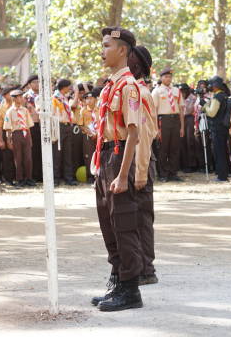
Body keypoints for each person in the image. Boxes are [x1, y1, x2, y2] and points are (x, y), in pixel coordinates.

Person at [90, 26, 143, 312]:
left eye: (108, 45)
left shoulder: (128, 86)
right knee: (108, 224)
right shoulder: (110, 84)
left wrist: (123, 174)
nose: (103, 50)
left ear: (123, 50)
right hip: (107, 155)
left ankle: (131, 289)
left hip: (120, 155)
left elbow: (133, 132)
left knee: (123, 223)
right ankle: (117, 280)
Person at [129, 45, 158, 286]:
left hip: (140, 161)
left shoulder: (141, 93)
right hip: (130, 160)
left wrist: (140, 171)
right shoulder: (130, 90)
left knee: (141, 218)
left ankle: (146, 269)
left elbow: (145, 135)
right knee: (131, 217)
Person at [152, 68, 185, 182]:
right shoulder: (156, 91)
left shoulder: (176, 90)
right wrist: (156, 128)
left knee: (174, 148)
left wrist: (182, 127)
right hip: (163, 120)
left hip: (175, 119)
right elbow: (154, 111)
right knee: (163, 148)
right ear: (161, 78)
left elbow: (181, 109)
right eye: (165, 76)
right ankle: (162, 174)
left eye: (170, 76)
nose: (168, 78)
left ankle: (173, 173)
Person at [3, 89, 35, 188]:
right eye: (19, 97)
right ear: (14, 99)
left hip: (25, 133)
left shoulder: (24, 110)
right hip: (16, 134)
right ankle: (19, 179)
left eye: (21, 96)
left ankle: (28, 178)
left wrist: (30, 139)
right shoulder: (10, 111)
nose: (21, 99)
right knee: (18, 158)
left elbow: (28, 125)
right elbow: (8, 128)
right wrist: (9, 140)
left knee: (28, 158)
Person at [203, 76, 231, 181]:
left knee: (219, 152)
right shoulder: (224, 95)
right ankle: (225, 173)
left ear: (215, 86)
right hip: (222, 128)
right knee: (223, 151)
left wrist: (204, 106)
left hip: (217, 129)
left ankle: (222, 176)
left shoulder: (217, 97)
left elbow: (211, 112)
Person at [52, 79, 78, 185]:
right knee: (57, 153)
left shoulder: (64, 98)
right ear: (64, 87)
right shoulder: (55, 98)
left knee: (68, 153)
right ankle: (55, 178)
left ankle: (68, 178)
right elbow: (53, 114)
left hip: (67, 126)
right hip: (59, 126)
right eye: (68, 86)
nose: (69, 89)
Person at [23, 74, 43, 181]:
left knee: (42, 150)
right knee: (33, 151)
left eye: (38, 81)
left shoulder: (43, 95)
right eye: (34, 82)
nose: (37, 84)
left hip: (43, 125)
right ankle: (34, 175)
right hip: (32, 125)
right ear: (29, 84)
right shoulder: (26, 97)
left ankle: (42, 174)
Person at [0, 86, 16, 186]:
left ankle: (19, 178)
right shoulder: (1, 108)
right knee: (7, 157)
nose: (12, 95)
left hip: (17, 131)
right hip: (5, 132)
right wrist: (1, 140)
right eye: (9, 94)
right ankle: (9, 179)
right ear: (4, 96)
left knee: (18, 156)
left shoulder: (17, 105)